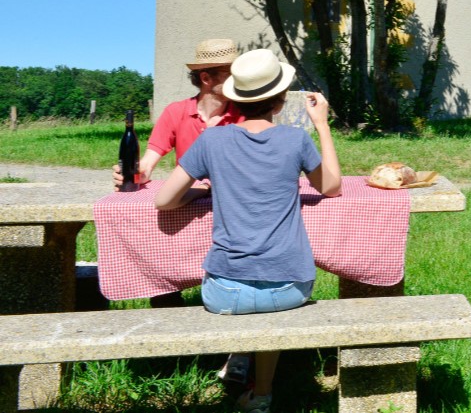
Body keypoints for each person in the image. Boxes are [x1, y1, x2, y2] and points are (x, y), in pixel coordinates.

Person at [155, 48, 341, 413]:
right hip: (289, 288)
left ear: (237, 97)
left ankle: (240, 360)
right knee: (267, 299)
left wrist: (203, 188)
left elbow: (164, 200)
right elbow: (332, 186)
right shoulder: (294, 140)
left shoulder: (211, 141)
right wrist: (321, 123)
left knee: (251, 295)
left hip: (223, 293)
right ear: (280, 99)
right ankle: (262, 394)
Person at [113, 38, 245, 189]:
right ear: (206, 78)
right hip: (188, 198)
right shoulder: (175, 112)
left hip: (230, 196)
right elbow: (148, 162)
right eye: (230, 72)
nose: (237, 78)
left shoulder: (245, 114)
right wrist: (139, 173)